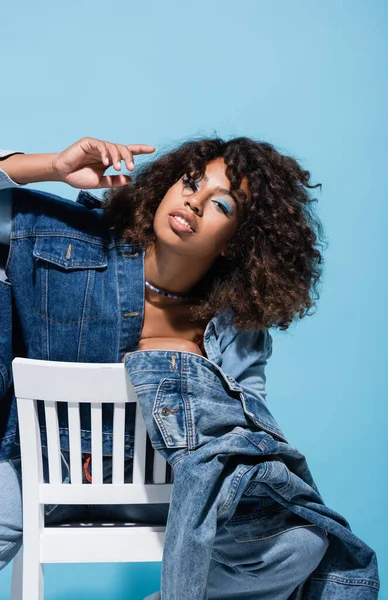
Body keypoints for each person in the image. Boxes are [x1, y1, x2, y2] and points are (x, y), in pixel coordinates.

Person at [0, 136, 330, 599]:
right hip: (42, 469)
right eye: (191, 182)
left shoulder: (238, 328)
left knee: (301, 544)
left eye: (221, 205)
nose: (193, 201)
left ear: (238, 244)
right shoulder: (70, 243)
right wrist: (53, 166)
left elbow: (247, 432)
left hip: (175, 497)